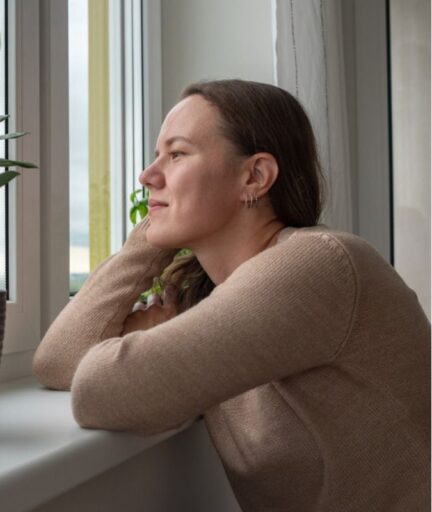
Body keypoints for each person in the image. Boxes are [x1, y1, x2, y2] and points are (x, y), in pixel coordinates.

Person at [32, 79, 430, 511]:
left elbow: (99, 390)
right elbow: (58, 361)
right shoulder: (215, 299)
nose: (148, 175)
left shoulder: (319, 264)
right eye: (156, 156)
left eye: (177, 154)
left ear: (254, 177)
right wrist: (150, 239)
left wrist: (151, 338)